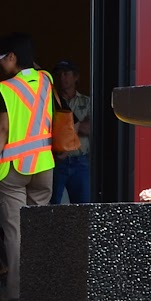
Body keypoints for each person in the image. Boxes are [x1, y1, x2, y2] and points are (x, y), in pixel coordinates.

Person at [0, 32, 56, 301]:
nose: (0, 63)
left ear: (12, 57)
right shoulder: (46, 79)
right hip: (43, 164)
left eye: (2, 57)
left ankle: (15, 291)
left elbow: (2, 129)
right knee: (38, 229)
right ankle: (41, 289)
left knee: (15, 230)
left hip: (13, 168)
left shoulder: (4, 88)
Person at [50, 59, 91, 204]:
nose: (62, 78)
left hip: (80, 161)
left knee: (83, 206)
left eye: (66, 74)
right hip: (57, 160)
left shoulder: (87, 102)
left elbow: (91, 128)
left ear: (76, 77)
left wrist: (64, 131)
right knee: (52, 206)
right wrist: (78, 126)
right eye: (59, 74)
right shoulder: (52, 102)